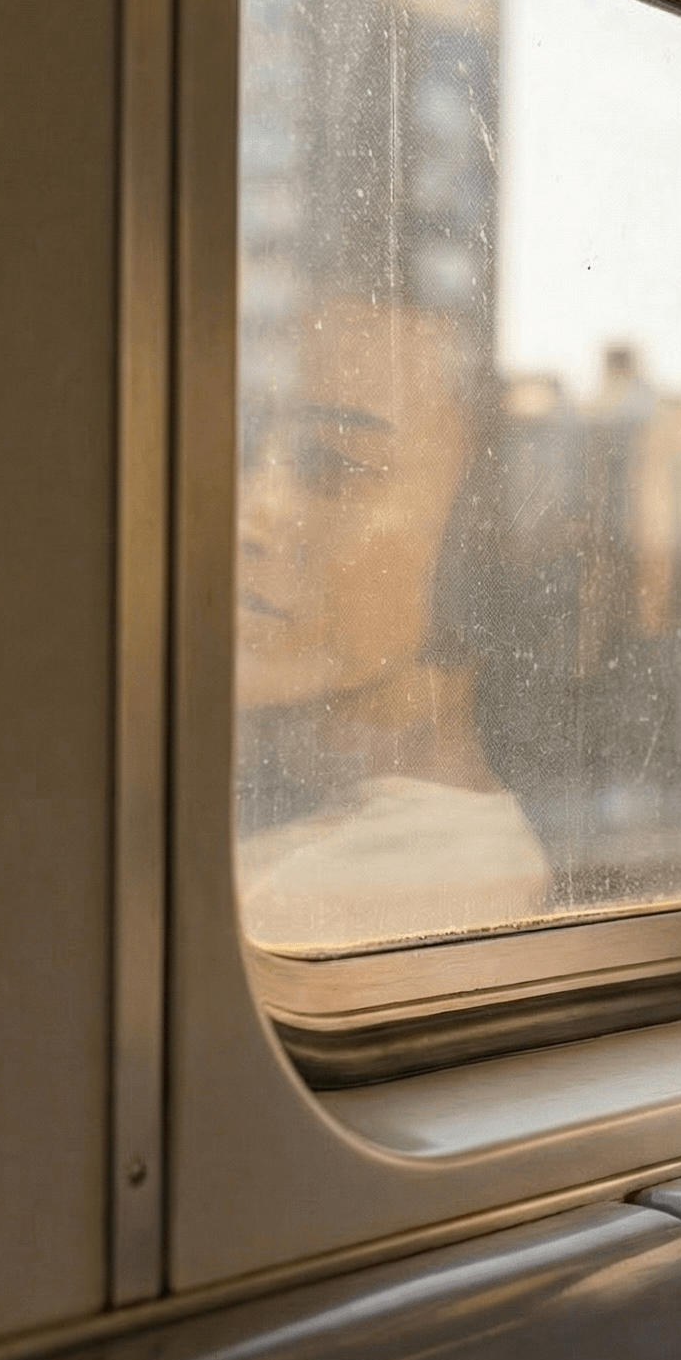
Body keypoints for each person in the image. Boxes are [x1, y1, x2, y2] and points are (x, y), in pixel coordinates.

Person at [235, 298, 549, 949]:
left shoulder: (316, 910)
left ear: (467, 544)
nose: (248, 515)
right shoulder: (280, 846)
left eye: (334, 464)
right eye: (239, 450)